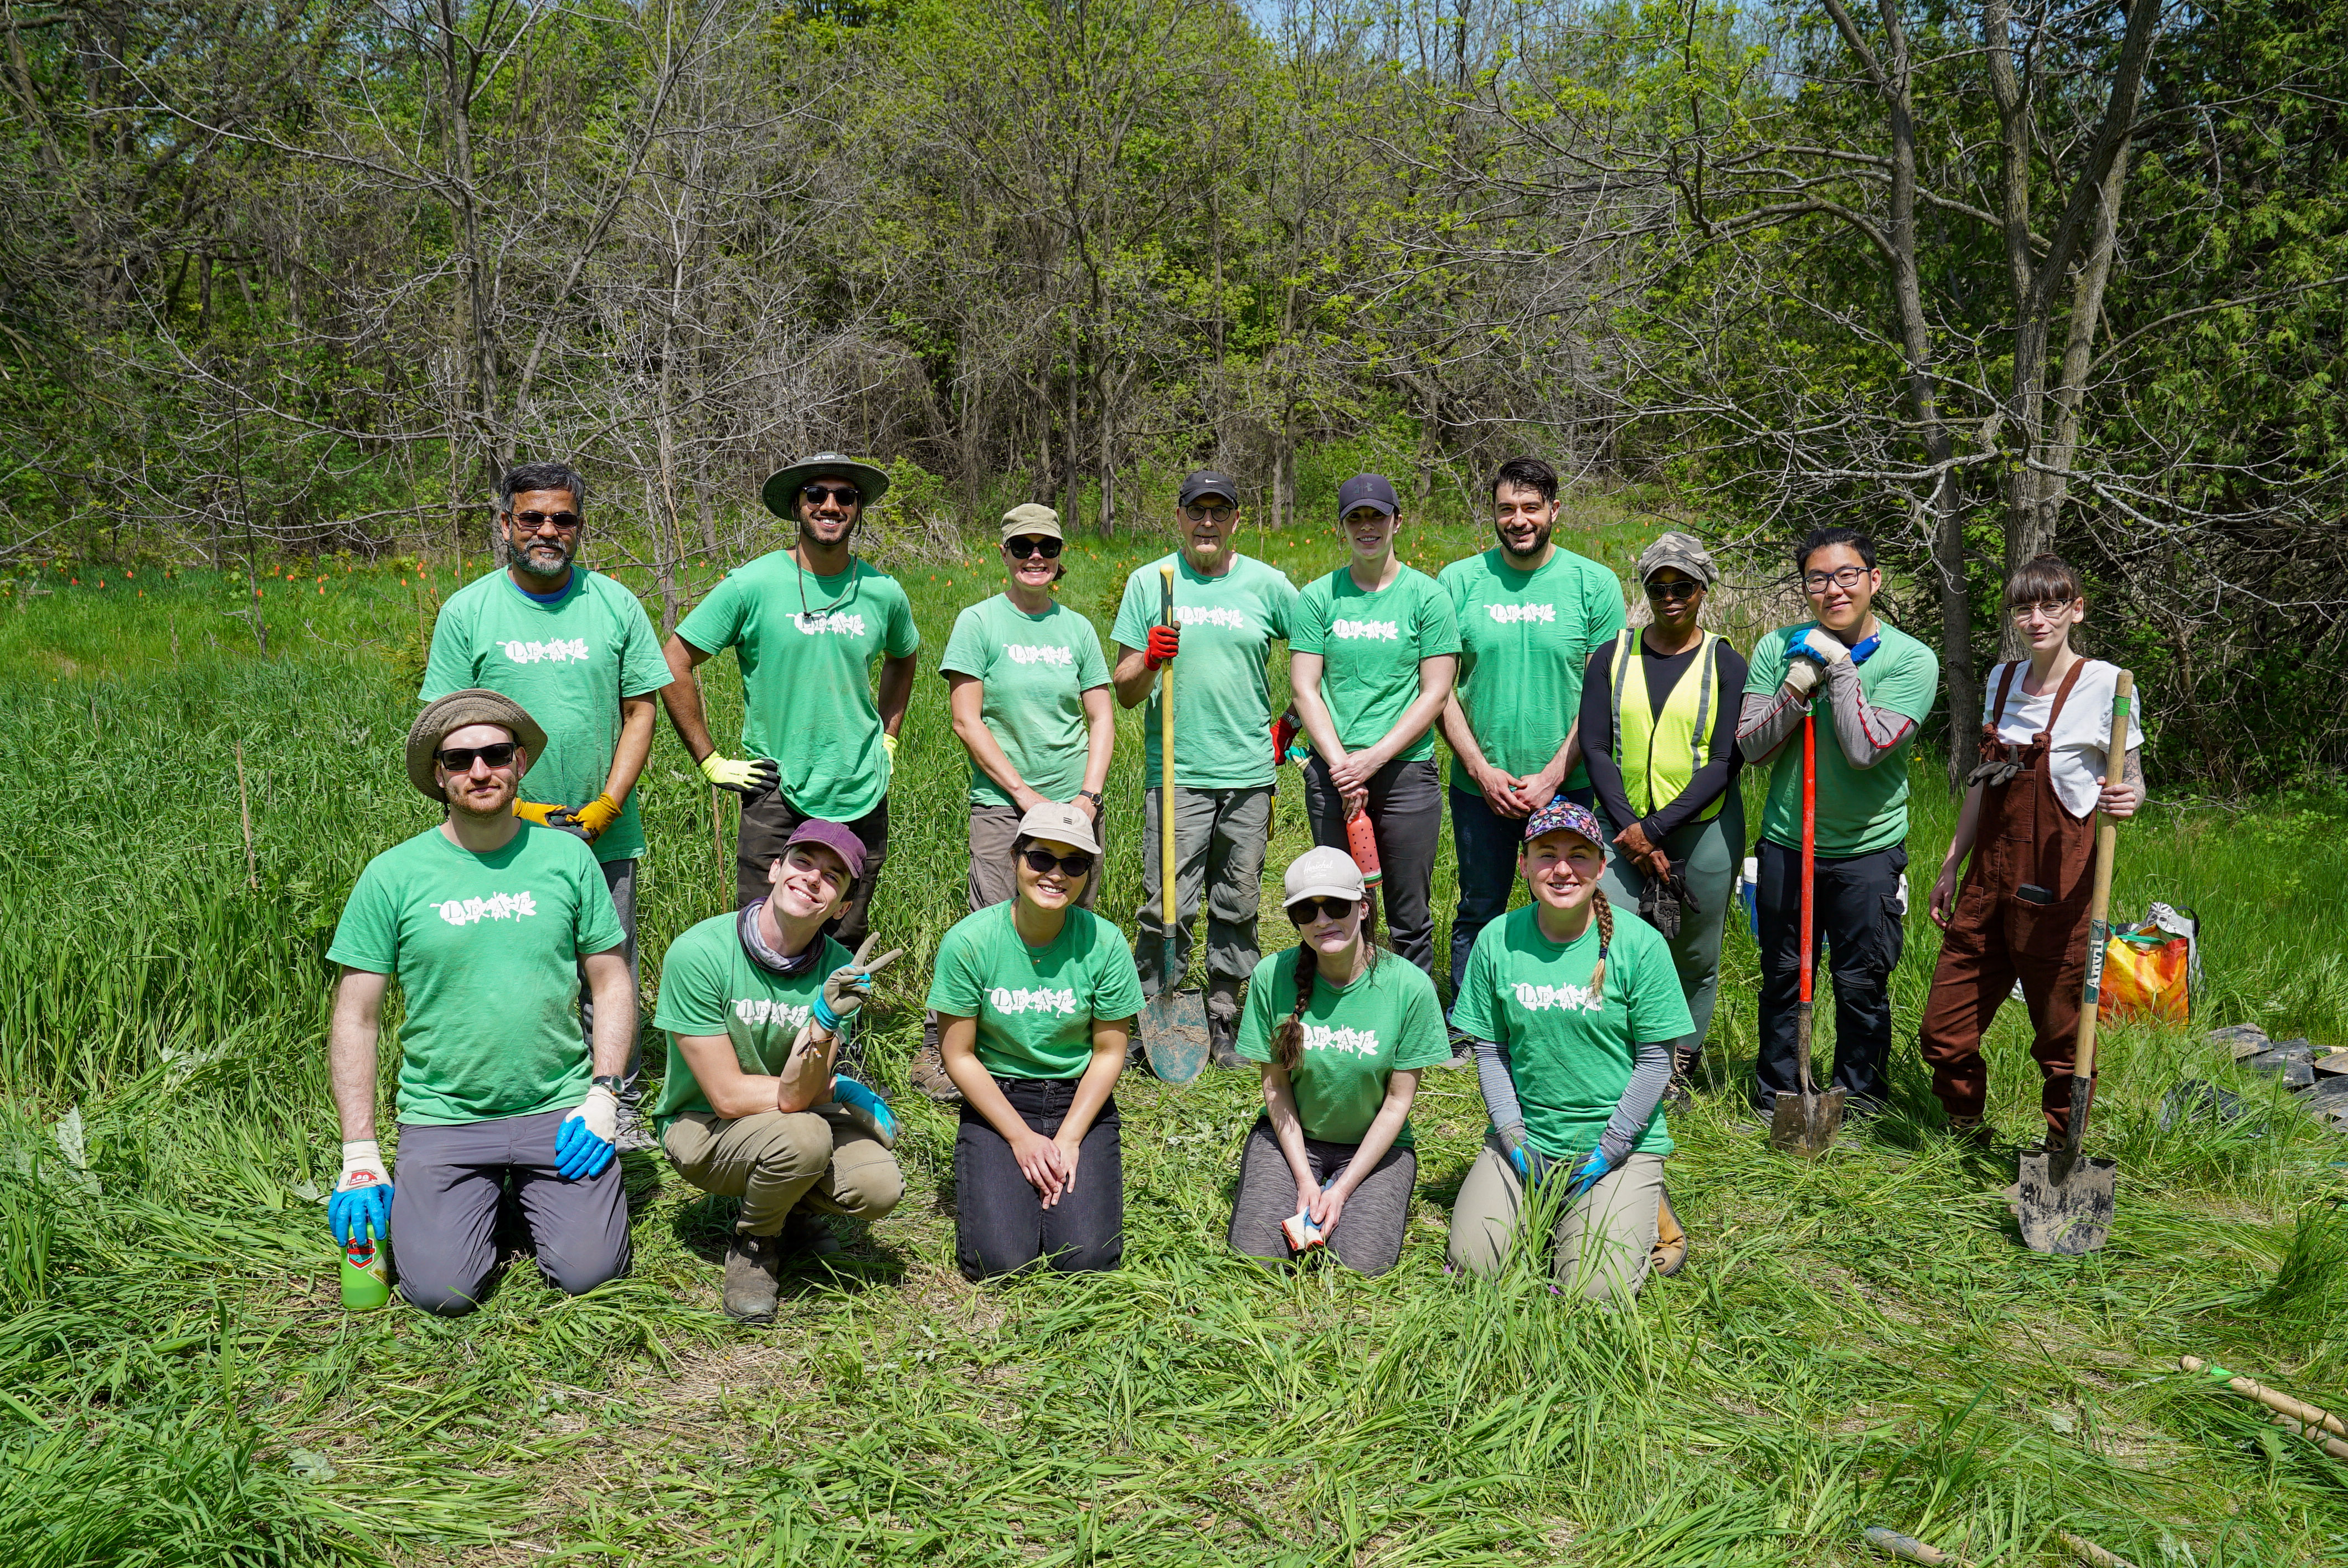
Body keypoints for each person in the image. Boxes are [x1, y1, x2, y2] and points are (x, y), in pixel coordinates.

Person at [325, 690, 633, 1316]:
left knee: (591, 1273)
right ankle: (481, 1198)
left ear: (519, 763)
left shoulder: (569, 857)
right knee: (442, 1292)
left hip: (559, 1111)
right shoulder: (393, 875)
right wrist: (360, 1151)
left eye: (494, 754)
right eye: (459, 760)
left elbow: (611, 980)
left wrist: (604, 1095)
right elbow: (356, 1016)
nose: (479, 771)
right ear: (439, 775)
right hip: (445, 1116)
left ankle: (517, 1199)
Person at [421, 461, 673, 1149]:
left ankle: (613, 1101)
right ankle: (499, 1109)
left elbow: (640, 709)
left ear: (580, 528)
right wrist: (515, 812)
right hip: (497, 834)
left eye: (563, 518)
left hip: (603, 836)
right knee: (508, 972)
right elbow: (445, 724)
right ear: (505, 524)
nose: (547, 530)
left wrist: (607, 805)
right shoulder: (468, 611)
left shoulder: (615, 604)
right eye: (531, 517)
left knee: (607, 970)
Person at [1918, 555, 2145, 1146]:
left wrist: (2127, 799)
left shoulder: (2108, 683)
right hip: (1984, 884)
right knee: (1944, 1029)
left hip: (2058, 887)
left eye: (2051, 605)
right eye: (2024, 606)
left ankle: (2058, 1151)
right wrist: (1950, 862)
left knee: (2064, 1037)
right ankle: (1965, 1130)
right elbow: (1981, 778)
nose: (2036, 618)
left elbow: (2134, 779)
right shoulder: (2002, 679)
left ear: (2076, 609)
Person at [658, 452, 919, 951]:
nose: (830, 505)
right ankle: (757, 1028)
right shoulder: (751, 585)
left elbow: (903, 658)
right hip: (777, 788)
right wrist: (710, 761)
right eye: (816, 494)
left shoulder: (884, 592)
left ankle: (834, 1028)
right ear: (797, 506)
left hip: (859, 784)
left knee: (845, 926)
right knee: (765, 928)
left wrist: (889, 735)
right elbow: (674, 661)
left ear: (857, 508)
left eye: (845, 496)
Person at [651, 821, 907, 1321]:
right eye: (804, 862)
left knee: (878, 1185)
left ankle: (792, 1208)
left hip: (792, 1113)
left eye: (833, 877)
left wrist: (828, 1020)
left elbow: (802, 1090)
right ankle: (755, 1243)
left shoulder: (839, 970)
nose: (814, 878)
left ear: (843, 908)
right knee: (806, 1136)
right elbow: (726, 1096)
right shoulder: (700, 953)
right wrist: (836, 1089)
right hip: (704, 1123)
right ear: (775, 869)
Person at [1446, 800, 1695, 1303]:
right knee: (1475, 1267)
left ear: (1602, 866)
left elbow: (1654, 1063)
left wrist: (1613, 1146)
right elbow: (1491, 1053)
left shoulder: (1641, 946)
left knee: (1590, 1290)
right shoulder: (1498, 940)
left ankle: (1639, 1200)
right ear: (1524, 864)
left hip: (1616, 1143)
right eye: (1546, 854)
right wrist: (1513, 1137)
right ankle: (1556, 1199)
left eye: (1579, 855)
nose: (1562, 869)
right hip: (1528, 1137)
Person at [1737, 527, 1940, 1118]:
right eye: (1818, 579)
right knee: (1781, 977)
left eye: (1847, 575)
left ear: (1873, 580)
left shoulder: (1911, 660)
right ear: (1804, 588)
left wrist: (1839, 667)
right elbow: (1751, 747)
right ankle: (1776, 1098)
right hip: (1786, 843)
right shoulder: (1778, 648)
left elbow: (1864, 747)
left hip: (1866, 852)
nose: (1833, 589)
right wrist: (1797, 685)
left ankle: (1861, 1104)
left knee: (1859, 985)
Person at [1109, 470, 1298, 1064]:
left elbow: (1320, 657)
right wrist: (1148, 656)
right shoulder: (1150, 583)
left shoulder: (1269, 586)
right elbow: (1125, 690)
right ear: (1180, 517)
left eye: (1220, 512)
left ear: (1238, 519)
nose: (1208, 523)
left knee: (1238, 899)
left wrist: (1288, 726)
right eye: (1198, 512)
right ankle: (1154, 1007)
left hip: (1247, 772)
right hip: (1178, 771)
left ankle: (1225, 1011)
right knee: (1165, 900)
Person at [1437, 455, 1628, 1010]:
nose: (1517, 519)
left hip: (1568, 786)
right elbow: (1440, 688)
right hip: (1482, 787)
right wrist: (1479, 768)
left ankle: (1571, 1005)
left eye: (1529, 507)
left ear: (1553, 511)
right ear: (1492, 514)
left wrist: (1551, 776)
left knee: (1571, 901)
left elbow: (1602, 694)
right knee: (1479, 904)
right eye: (1505, 509)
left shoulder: (1593, 584)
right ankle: (1469, 1019)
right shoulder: (1459, 581)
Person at [928, 803, 1145, 1280]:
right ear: (1015, 858)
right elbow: (958, 1054)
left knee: (1087, 1261)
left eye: (1074, 864)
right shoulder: (970, 943)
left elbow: (1110, 1052)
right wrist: (1020, 1138)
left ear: (1088, 873)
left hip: (1078, 1098)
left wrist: (1068, 1137)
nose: (1056, 875)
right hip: (1000, 1096)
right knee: (1001, 1263)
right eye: (1041, 859)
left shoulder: (1104, 944)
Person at [1579, 532, 1748, 1101]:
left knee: (1693, 953)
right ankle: (1616, 1057)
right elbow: (1596, 747)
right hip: (1619, 825)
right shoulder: (1611, 656)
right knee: (1608, 936)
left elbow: (1727, 759)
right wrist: (1631, 829)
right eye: (1659, 586)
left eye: (1683, 585)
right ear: (1645, 589)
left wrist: (1655, 830)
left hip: (1703, 830)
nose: (1670, 595)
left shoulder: (1724, 661)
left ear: (1704, 589)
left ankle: (1677, 1065)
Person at [1227, 848, 1449, 1276]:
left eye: (1337, 906)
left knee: (1360, 1267)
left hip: (1374, 1146)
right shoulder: (1272, 976)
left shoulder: (1410, 987)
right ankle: (1310, 1191)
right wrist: (1305, 1180)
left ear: (1363, 908)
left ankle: (1340, 1196)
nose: (1323, 920)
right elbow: (1276, 1086)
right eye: (1307, 911)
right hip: (1293, 1138)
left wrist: (1343, 1190)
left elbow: (1398, 1103)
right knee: (1257, 1258)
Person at [1286, 473, 1460, 978]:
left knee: (1409, 910)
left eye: (1377, 516)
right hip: (1332, 772)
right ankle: (1344, 1005)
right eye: (1355, 518)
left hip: (1405, 772)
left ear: (1397, 521)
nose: (1367, 527)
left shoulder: (1428, 598)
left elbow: (1436, 692)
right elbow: (1305, 689)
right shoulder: (1319, 598)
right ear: (1342, 527)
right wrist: (1343, 766)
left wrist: (1374, 758)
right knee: (1337, 901)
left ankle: (1412, 1017)